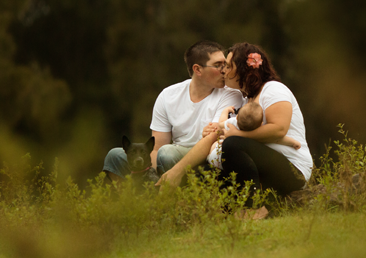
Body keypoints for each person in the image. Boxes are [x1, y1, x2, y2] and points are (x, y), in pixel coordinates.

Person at [157, 42, 312, 205]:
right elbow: (229, 132)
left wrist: (236, 134)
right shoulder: (245, 100)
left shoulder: (273, 90)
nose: (223, 71)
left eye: (228, 66)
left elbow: (279, 129)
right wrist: (217, 130)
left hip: (291, 167)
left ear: (243, 70)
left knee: (232, 144)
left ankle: (254, 207)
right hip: (261, 167)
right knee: (200, 174)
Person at [102, 40, 244, 181]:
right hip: (169, 158)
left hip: (205, 159)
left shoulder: (231, 94)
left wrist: (176, 171)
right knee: (115, 156)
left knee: (167, 154)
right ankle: (131, 201)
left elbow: (211, 140)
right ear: (198, 69)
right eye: (218, 65)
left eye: (225, 65)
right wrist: (150, 176)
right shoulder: (168, 95)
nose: (224, 70)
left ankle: (171, 198)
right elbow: (156, 148)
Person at [206, 102, 301, 169]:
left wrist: (226, 111)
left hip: (216, 157)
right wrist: (293, 142)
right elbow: (277, 139)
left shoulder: (232, 123)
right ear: (261, 124)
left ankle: (209, 158)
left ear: (237, 117)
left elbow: (221, 122)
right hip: (231, 162)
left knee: (216, 144)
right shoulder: (258, 133)